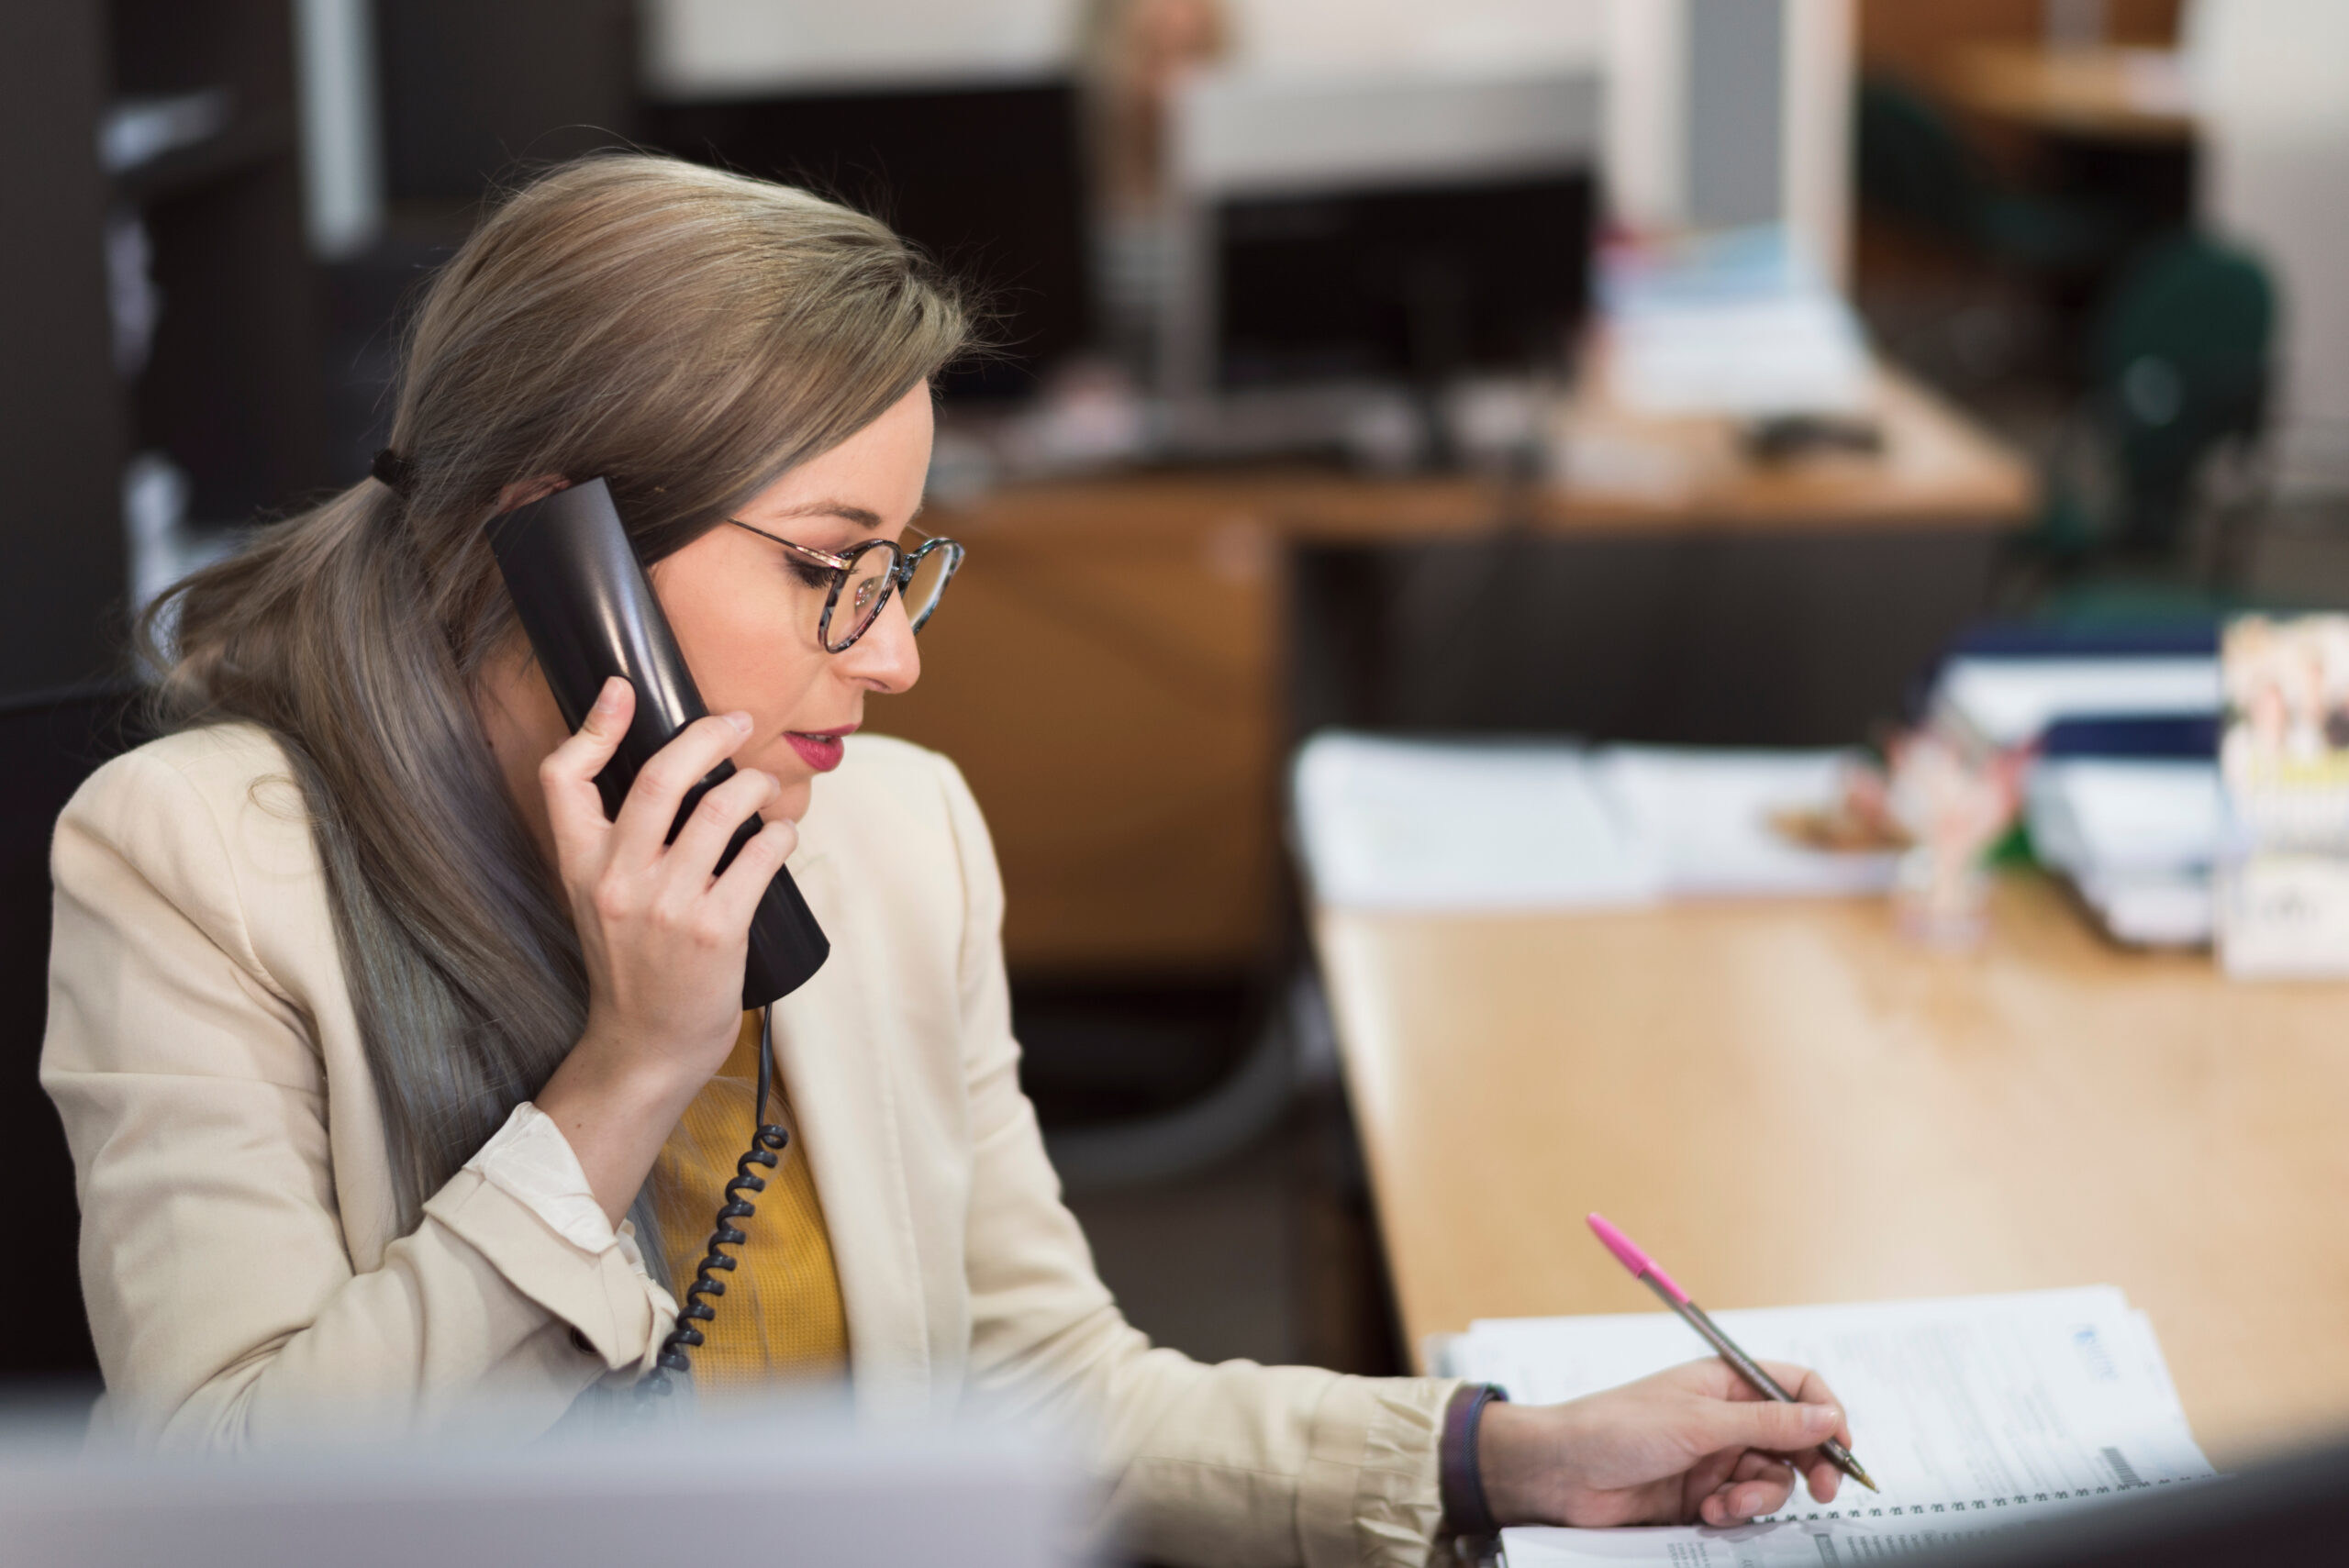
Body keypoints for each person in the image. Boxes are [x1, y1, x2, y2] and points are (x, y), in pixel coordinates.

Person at [41, 155, 1854, 1563]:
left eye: (903, 561)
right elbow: (227, 1510)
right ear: (555, 549)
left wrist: (1491, 1453)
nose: (892, 656)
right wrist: (628, 1076)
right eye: (830, 563)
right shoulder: (201, 866)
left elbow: (1041, 1385)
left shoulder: (893, 840)